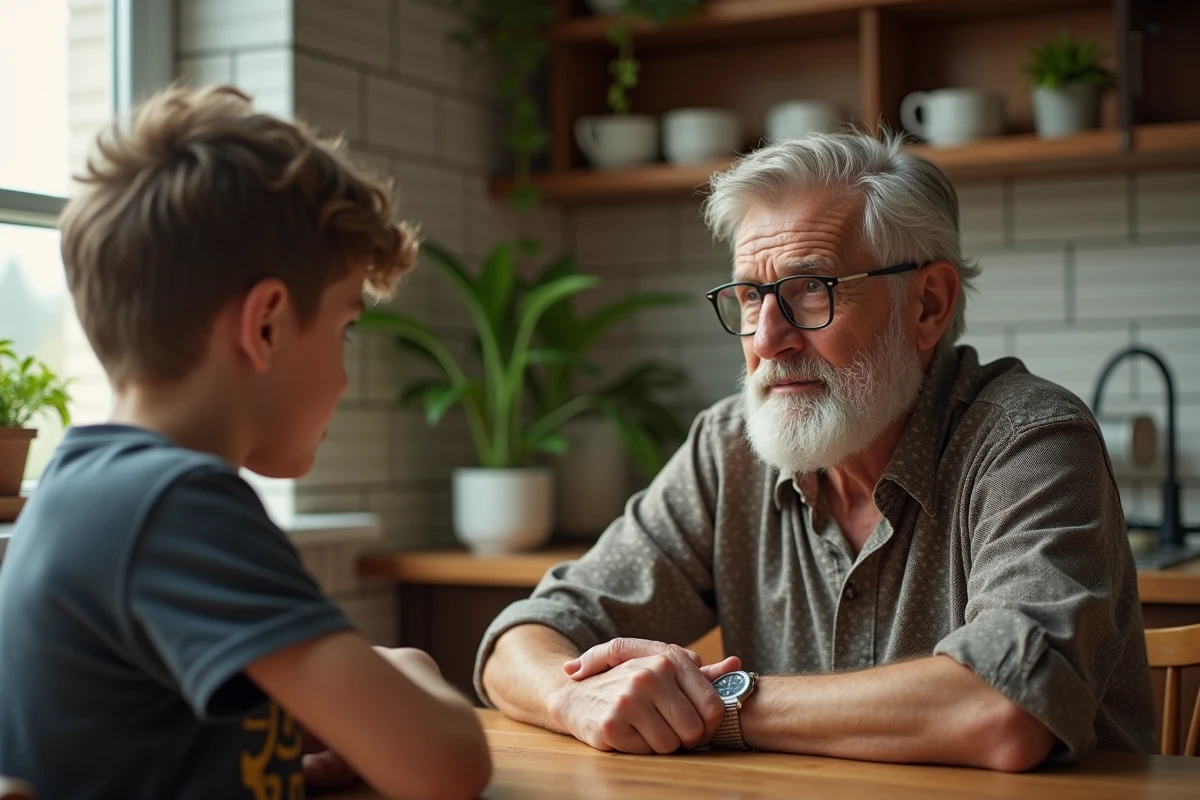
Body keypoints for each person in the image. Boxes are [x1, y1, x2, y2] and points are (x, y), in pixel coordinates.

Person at [475, 132, 1155, 771]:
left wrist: (720, 705)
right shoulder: (729, 450)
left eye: (812, 289)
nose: (769, 340)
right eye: (751, 297)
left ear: (928, 304)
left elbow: (1006, 709)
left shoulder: (1030, 439)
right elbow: (526, 636)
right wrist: (572, 697)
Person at [0, 85, 491, 800]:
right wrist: (409, 674)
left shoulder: (88, 487)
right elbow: (447, 767)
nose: (345, 377)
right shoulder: (177, 504)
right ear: (265, 324)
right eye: (345, 329)